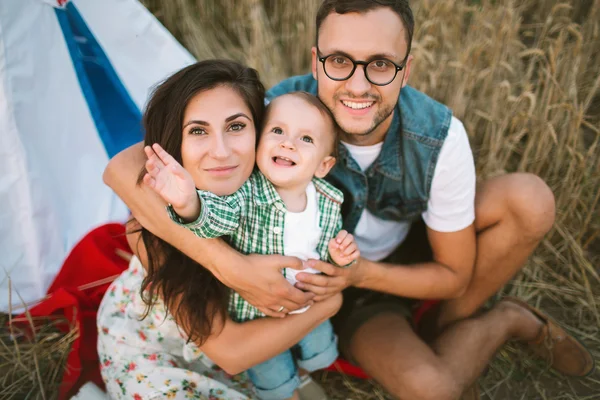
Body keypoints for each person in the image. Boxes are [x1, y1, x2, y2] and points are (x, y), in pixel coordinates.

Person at [104, 1, 595, 399]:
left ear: (406, 70)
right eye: (339, 62)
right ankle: (498, 322)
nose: (358, 85)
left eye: (380, 65)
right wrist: (228, 265)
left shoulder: (437, 136)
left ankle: (459, 325)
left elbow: (453, 274)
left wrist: (356, 275)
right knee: (435, 389)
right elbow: (124, 169)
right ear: (316, 60)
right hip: (333, 288)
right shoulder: (280, 110)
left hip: (379, 265)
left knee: (530, 198)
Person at [97, 60, 342, 400]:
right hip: (160, 352)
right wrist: (329, 305)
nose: (221, 151)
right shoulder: (151, 227)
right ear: (174, 143)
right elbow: (230, 350)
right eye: (198, 131)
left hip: (254, 350)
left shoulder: (275, 197)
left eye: (236, 126)